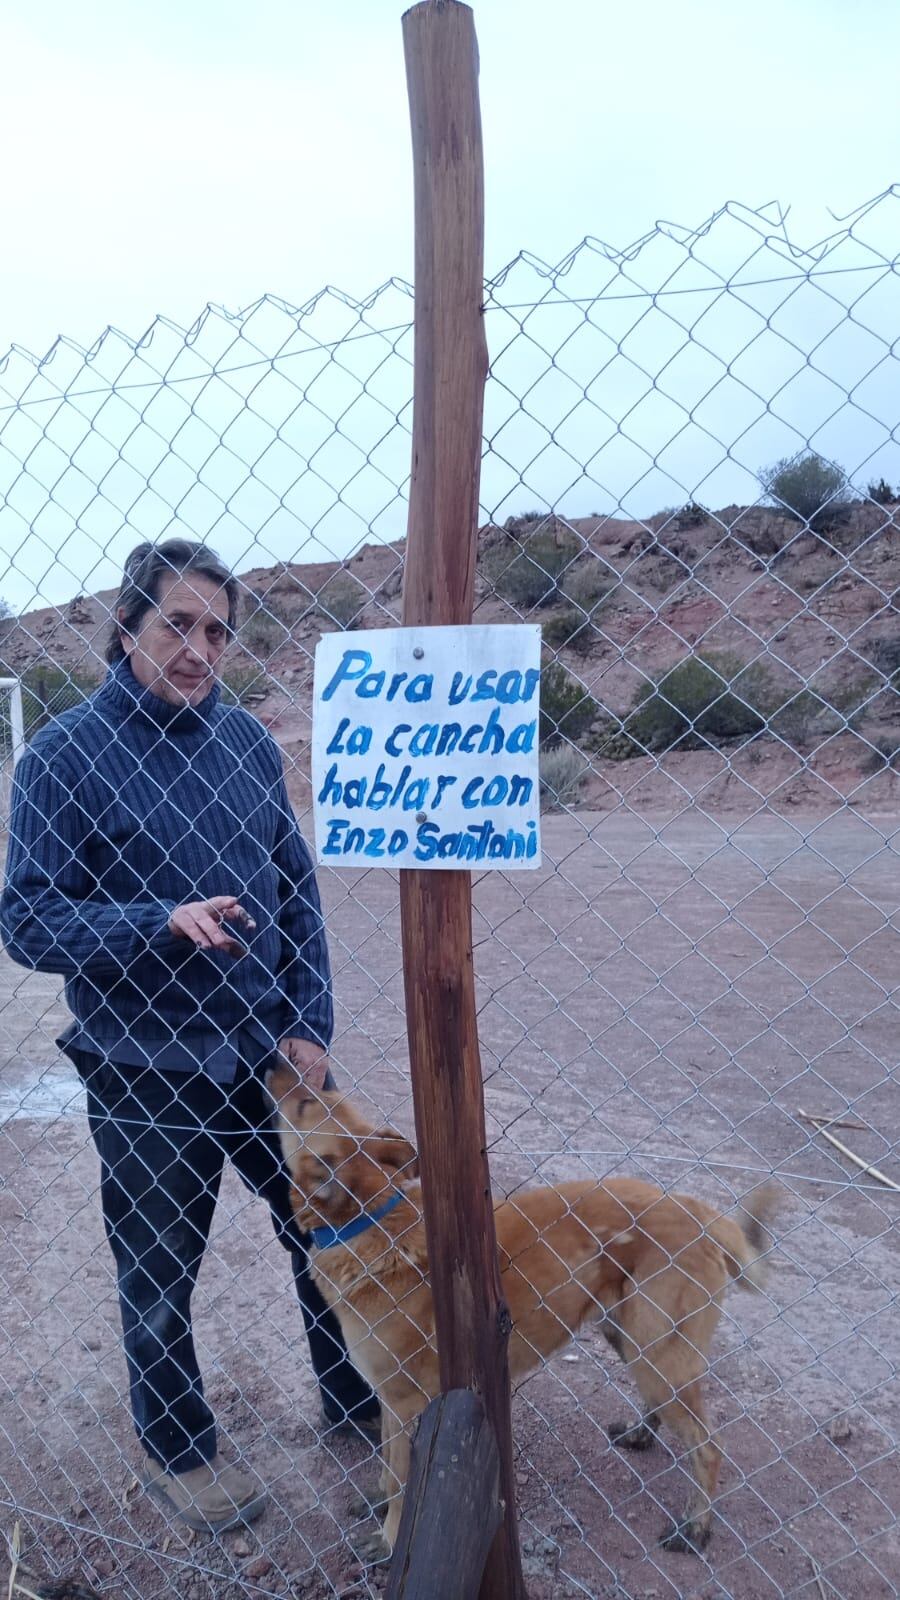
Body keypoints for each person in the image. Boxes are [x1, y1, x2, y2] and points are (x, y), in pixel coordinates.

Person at [0, 537, 378, 1532]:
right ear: (127, 624)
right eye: (177, 622)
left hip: (263, 1055)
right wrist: (155, 920)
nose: (199, 647)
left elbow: (297, 893)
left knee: (328, 1228)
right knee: (160, 1268)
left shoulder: (249, 745)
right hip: (142, 1068)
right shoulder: (64, 757)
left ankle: (357, 1399)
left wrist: (308, 1023)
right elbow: (28, 919)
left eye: (217, 628)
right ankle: (180, 1451)